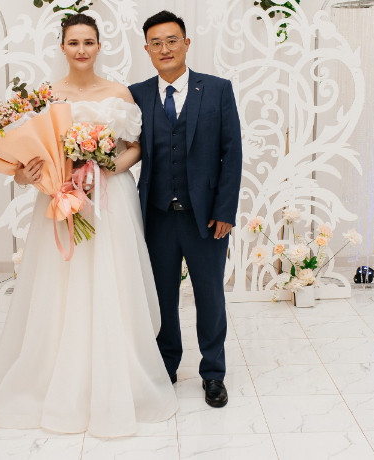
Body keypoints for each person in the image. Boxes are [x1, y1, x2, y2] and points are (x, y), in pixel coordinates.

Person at [0, 13, 178, 438]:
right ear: (62, 47)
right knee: (60, 283)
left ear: (99, 46)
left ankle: (117, 376)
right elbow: (25, 160)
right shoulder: (46, 96)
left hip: (110, 199)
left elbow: (136, 147)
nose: (82, 50)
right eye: (74, 43)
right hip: (59, 196)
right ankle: (55, 375)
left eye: (89, 42)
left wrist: (104, 168)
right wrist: (30, 174)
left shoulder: (118, 92)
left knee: (111, 279)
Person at [129, 10, 243, 409]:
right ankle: (166, 365)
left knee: (210, 296)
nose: (165, 48)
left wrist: (225, 210)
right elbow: (123, 146)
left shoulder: (217, 90)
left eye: (172, 40)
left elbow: (232, 153)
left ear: (186, 43)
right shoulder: (136, 94)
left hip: (206, 216)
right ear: (147, 49)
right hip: (156, 215)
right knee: (162, 297)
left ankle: (213, 372)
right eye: (156, 43)